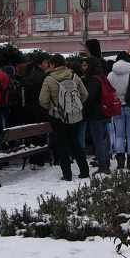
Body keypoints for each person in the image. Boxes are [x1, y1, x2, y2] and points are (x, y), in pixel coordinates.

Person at [39, 53, 90, 181]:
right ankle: (84, 170)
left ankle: (67, 174)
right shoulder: (74, 76)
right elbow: (84, 94)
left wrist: (52, 107)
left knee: (61, 144)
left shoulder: (49, 79)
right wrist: (75, 105)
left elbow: (43, 100)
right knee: (75, 142)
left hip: (57, 115)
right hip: (74, 114)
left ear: (53, 65)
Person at [108, 51, 130, 169]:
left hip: (117, 107)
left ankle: (120, 160)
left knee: (119, 135)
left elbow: (108, 92)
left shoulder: (111, 74)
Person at [82, 56, 112, 174]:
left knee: (98, 140)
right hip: (105, 112)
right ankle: (106, 162)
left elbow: (90, 98)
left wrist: (85, 112)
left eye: (85, 65)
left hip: (96, 114)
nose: (83, 68)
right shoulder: (103, 77)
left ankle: (103, 165)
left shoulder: (93, 80)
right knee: (102, 139)